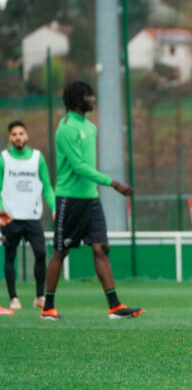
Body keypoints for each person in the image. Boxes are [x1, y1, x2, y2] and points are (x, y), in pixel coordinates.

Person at [41, 81, 144, 321]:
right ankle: (47, 307)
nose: (93, 99)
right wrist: (113, 183)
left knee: (101, 248)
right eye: (89, 96)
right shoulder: (66, 127)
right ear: (78, 99)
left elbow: (88, 166)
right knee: (60, 251)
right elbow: (78, 167)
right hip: (70, 199)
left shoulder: (90, 127)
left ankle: (114, 306)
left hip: (91, 199)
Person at [0, 120, 55, 311]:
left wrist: (54, 206)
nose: (18, 137)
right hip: (10, 217)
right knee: (10, 256)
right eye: (14, 134)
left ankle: (40, 296)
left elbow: (47, 185)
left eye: (21, 133)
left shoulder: (37, 158)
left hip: (32, 217)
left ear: (27, 136)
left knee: (41, 253)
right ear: (10, 137)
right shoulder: (3, 158)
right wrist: (0, 209)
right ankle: (13, 297)